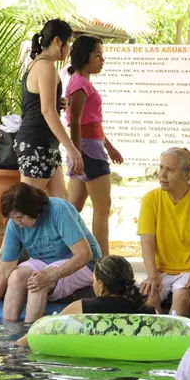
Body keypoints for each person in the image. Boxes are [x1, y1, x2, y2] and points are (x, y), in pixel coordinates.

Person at [0, 183, 101, 323]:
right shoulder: (14, 224)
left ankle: (29, 336)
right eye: (13, 218)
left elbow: (84, 254)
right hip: (45, 262)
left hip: (83, 265)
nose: (17, 222)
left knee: (37, 282)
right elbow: (5, 270)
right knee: (16, 276)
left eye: (20, 217)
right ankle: (9, 333)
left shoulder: (58, 209)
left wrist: (52, 275)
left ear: (33, 209)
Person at [138, 147, 190, 317]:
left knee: (181, 292)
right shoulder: (150, 199)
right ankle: (155, 341)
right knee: (150, 297)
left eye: (170, 170)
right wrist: (152, 275)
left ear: (186, 175)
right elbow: (147, 241)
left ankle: (176, 340)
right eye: (161, 168)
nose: (162, 175)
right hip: (161, 270)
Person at [65, 35, 124, 255]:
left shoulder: (81, 81)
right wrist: (77, 154)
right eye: (97, 55)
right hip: (89, 151)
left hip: (89, 148)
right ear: (85, 56)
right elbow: (75, 122)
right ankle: (103, 261)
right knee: (102, 208)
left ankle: (66, 252)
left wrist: (108, 146)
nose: (102, 59)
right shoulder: (80, 83)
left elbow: (91, 122)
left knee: (72, 210)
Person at [15, 255, 148, 348]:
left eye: (94, 279)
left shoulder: (83, 307)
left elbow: (40, 331)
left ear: (100, 285)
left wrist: (15, 347)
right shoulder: (146, 309)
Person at [15, 19, 84, 198]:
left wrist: (57, 101)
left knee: (62, 206)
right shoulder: (45, 66)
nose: (69, 48)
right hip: (36, 142)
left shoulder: (39, 64)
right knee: (27, 207)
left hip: (44, 143)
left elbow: (38, 103)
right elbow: (47, 111)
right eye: (68, 42)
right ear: (57, 41)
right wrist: (71, 148)